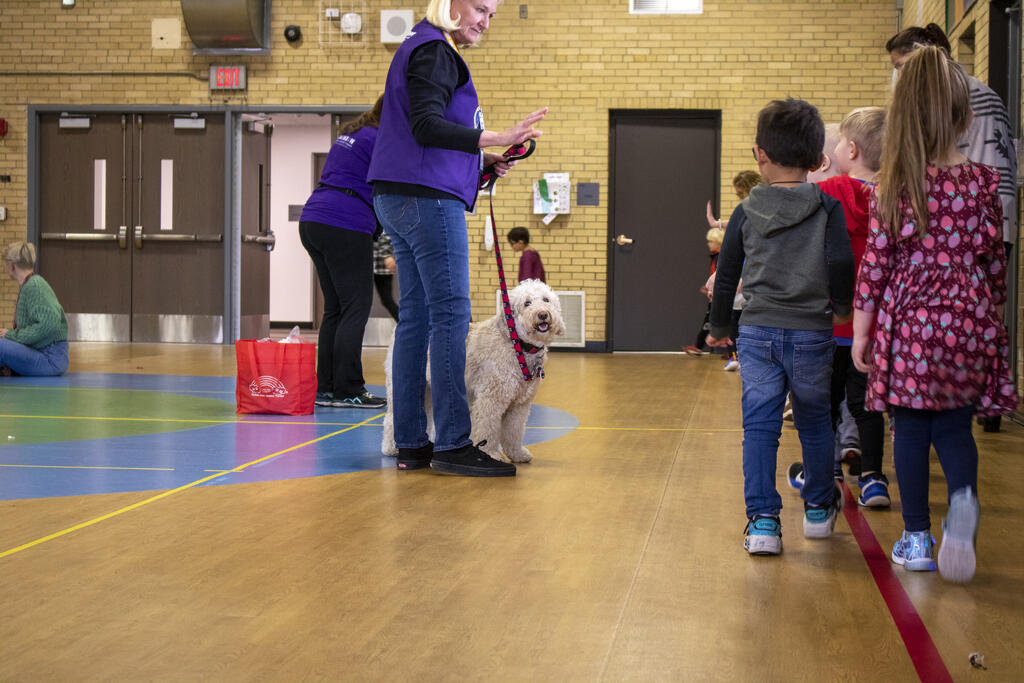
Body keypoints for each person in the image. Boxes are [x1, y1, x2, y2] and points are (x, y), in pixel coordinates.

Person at [852, 46, 1017, 582]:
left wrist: (862, 334)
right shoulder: (984, 182)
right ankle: (962, 506)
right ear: (965, 118)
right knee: (955, 428)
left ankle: (917, 537)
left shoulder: (894, 185)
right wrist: (992, 315)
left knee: (910, 431)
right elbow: (994, 262)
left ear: (903, 118)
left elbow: (875, 267)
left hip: (912, 325)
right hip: (969, 320)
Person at [367, 0, 547, 476]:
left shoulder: (420, 45)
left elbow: (423, 132)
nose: (485, 22)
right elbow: (426, 125)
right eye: (479, 9)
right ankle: (452, 442)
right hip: (426, 199)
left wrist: (479, 162)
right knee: (450, 316)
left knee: (418, 318)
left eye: (492, 15)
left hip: (399, 194)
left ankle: (410, 441)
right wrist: (495, 137)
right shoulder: (435, 50)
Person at [707, 98, 855, 556]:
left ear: (760, 154)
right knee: (814, 421)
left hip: (758, 332)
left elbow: (727, 273)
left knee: (760, 426)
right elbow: (842, 261)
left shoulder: (746, 210)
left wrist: (719, 325)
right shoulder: (827, 207)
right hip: (812, 332)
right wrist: (843, 308)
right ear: (817, 158)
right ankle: (818, 510)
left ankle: (764, 523)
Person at [887, 23, 1018, 433]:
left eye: (901, 66)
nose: (899, 77)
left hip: (959, 216)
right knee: (979, 314)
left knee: (942, 318)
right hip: (989, 211)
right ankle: (972, 404)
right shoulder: (982, 92)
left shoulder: (951, 95)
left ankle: (932, 399)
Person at [788, 107, 891, 508]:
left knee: (825, 404)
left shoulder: (829, 191)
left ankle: (825, 470)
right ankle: (874, 478)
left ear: (851, 149)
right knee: (867, 407)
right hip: (875, 323)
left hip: (832, 320)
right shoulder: (894, 196)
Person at [298, 95, 387, 410]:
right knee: (355, 307)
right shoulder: (380, 139)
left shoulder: (354, 135)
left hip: (314, 219)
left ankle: (326, 388)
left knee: (335, 308)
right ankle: (349, 389)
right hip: (345, 223)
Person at [0, 241, 69, 377]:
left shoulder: (34, 286)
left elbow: (49, 325)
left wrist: (11, 335)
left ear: (12, 266)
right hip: (47, 356)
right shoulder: (30, 285)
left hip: (50, 359)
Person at [682, 226, 723, 356]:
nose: (709, 244)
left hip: (720, 296)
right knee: (710, 320)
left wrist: (713, 289)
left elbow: (720, 276)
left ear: (718, 242)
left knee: (714, 321)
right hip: (714, 295)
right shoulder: (715, 257)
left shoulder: (720, 258)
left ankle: (699, 346)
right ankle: (698, 346)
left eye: (711, 241)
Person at [372, 233, 400, 322]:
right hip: (371, 265)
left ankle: (406, 323)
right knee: (360, 301)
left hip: (381, 266)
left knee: (387, 300)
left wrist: (387, 255)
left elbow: (384, 234)